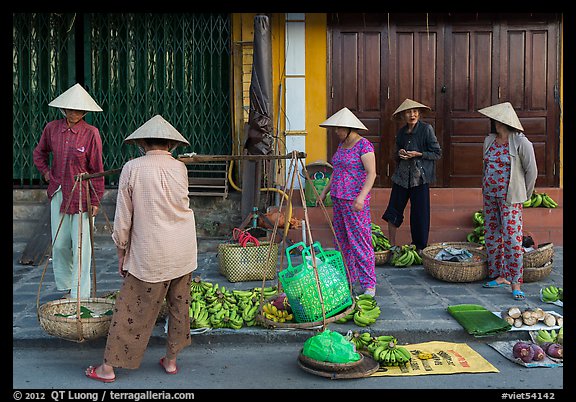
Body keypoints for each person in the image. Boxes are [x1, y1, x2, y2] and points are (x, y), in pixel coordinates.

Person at [85, 115, 198, 383]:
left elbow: (124, 218)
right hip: (182, 250)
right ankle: (171, 361)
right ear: (171, 144)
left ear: (143, 143)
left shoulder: (132, 168)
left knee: (131, 310)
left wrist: (121, 252)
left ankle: (108, 368)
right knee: (179, 306)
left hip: (151, 253)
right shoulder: (179, 168)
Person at [33, 83, 105, 299]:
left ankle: (79, 293)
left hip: (82, 195)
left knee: (82, 248)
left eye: (78, 110)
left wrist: (96, 200)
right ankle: (66, 286)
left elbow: (97, 169)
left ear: (84, 112)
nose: (73, 113)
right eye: (70, 109)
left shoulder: (91, 133)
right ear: (63, 109)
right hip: (58, 192)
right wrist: (46, 173)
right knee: (60, 245)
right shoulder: (52, 128)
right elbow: (39, 153)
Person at [478, 102, 537, 301]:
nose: (494, 123)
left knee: (512, 238)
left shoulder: (521, 142)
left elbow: (532, 172)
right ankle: (499, 275)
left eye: (497, 119)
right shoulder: (489, 140)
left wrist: (524, 194)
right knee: (492, 236)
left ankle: (515, 281)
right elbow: (485, 167)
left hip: (510, 198)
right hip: (490, 196)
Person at [317, 107, 377, 296]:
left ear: (348, 128)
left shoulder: (364, 146)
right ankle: (348, 279)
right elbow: (337, 171)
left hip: (354, 202)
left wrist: (361, 197)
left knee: (360, 242)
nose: (335, 132)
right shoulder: (342, 146)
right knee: (342, 242)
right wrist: (324, 192)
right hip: (338, 199)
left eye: (338, 129)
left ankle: (368, 284)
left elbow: (371, 173)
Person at [381, 99, 442, 254]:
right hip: (401, 177)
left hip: (419, 178)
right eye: (408, 112)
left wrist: (419, 154)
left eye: (415, 111)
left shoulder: (426, 129)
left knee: (420, 213)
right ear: (403, 115)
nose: (412, 114)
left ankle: (420, 246)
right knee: (393, 209)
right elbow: (395, 154)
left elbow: (437, 153)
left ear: (419, 114)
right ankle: (392, 244)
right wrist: (400, 153)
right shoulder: (401, 132)